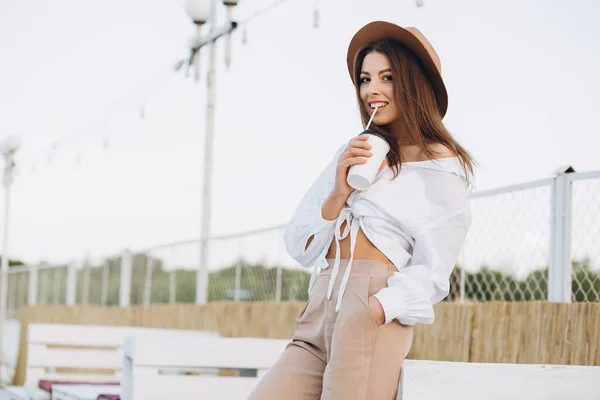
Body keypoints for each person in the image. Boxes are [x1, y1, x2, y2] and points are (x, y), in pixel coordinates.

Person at [248, 21, 475, 400]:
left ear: (413, 83)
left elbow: (434, 270)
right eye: (365, 79)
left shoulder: (442, 168)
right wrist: (339, 192)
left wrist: (376, 309)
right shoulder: (355, 151)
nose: (372, 90)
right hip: (320, 309)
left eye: (387, 77)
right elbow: (299, 245)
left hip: (371, 311)